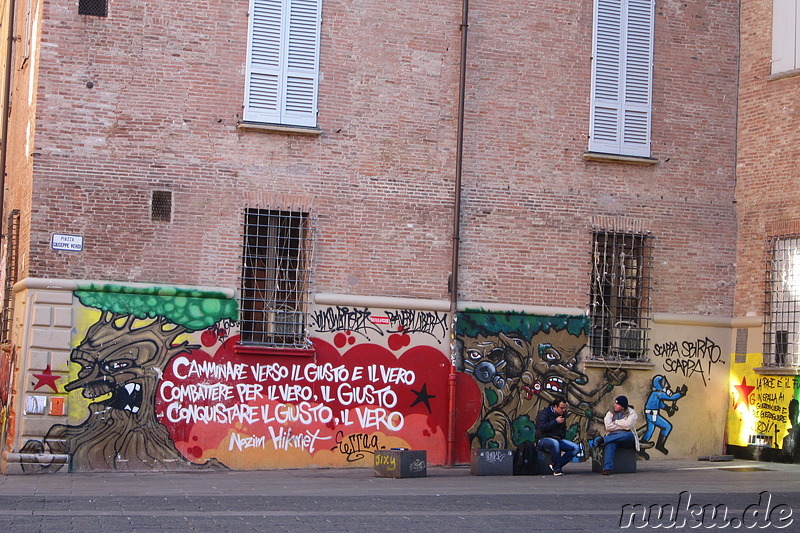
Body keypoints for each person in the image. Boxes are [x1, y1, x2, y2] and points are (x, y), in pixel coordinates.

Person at [594, 395, 640, 475]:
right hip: (613, 436)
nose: (615, 405)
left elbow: (628, 425)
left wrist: (615, 422)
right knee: (610, 444)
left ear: (623, 406)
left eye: (617, 404)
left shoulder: (631, 412)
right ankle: (607, 469)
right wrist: (622, 425)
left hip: (626, 438)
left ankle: (604, 440)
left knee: (628, 435)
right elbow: (608, 426)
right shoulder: (610, 413)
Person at [534, 397, 579, 475]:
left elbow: (563, 429)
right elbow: (542, 427)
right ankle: (557, 469)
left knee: (575, 448)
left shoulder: (562, 414)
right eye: (561, 408)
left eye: (564, 408)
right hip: (543, 439)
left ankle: (556, 465)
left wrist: (562, 437)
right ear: (555, 406)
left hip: (557, 438)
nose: (563, 410)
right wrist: (555, 422)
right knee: (555, 443)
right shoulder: (544, 413)